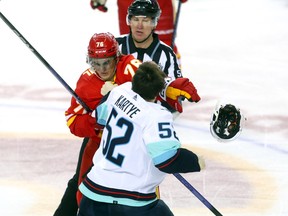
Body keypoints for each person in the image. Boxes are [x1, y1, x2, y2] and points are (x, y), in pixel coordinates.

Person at [53, 32, 200, 216]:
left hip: (137, 143)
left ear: (117, 57)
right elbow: (74, 122)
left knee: (143, 190)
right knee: (80, 186)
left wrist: (171, 87)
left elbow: (153, 81)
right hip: (101, 142)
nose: (102, 69)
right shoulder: (86, 81)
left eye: (107, 62)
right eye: (96, 63)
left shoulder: (130, 66)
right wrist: (97, 120)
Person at [77, 61, 205, 216]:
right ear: (158, 91)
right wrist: (195, 161)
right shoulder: (157, 115)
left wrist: (111, 95)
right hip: (132, 203)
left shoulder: (119, 92)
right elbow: (167, 161)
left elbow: (100, 119)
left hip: (93, 195)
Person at [90, 0, 189, 64]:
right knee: (131, 43)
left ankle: (170, 81)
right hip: (130, 4)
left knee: (162, 42)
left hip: (158, 4)